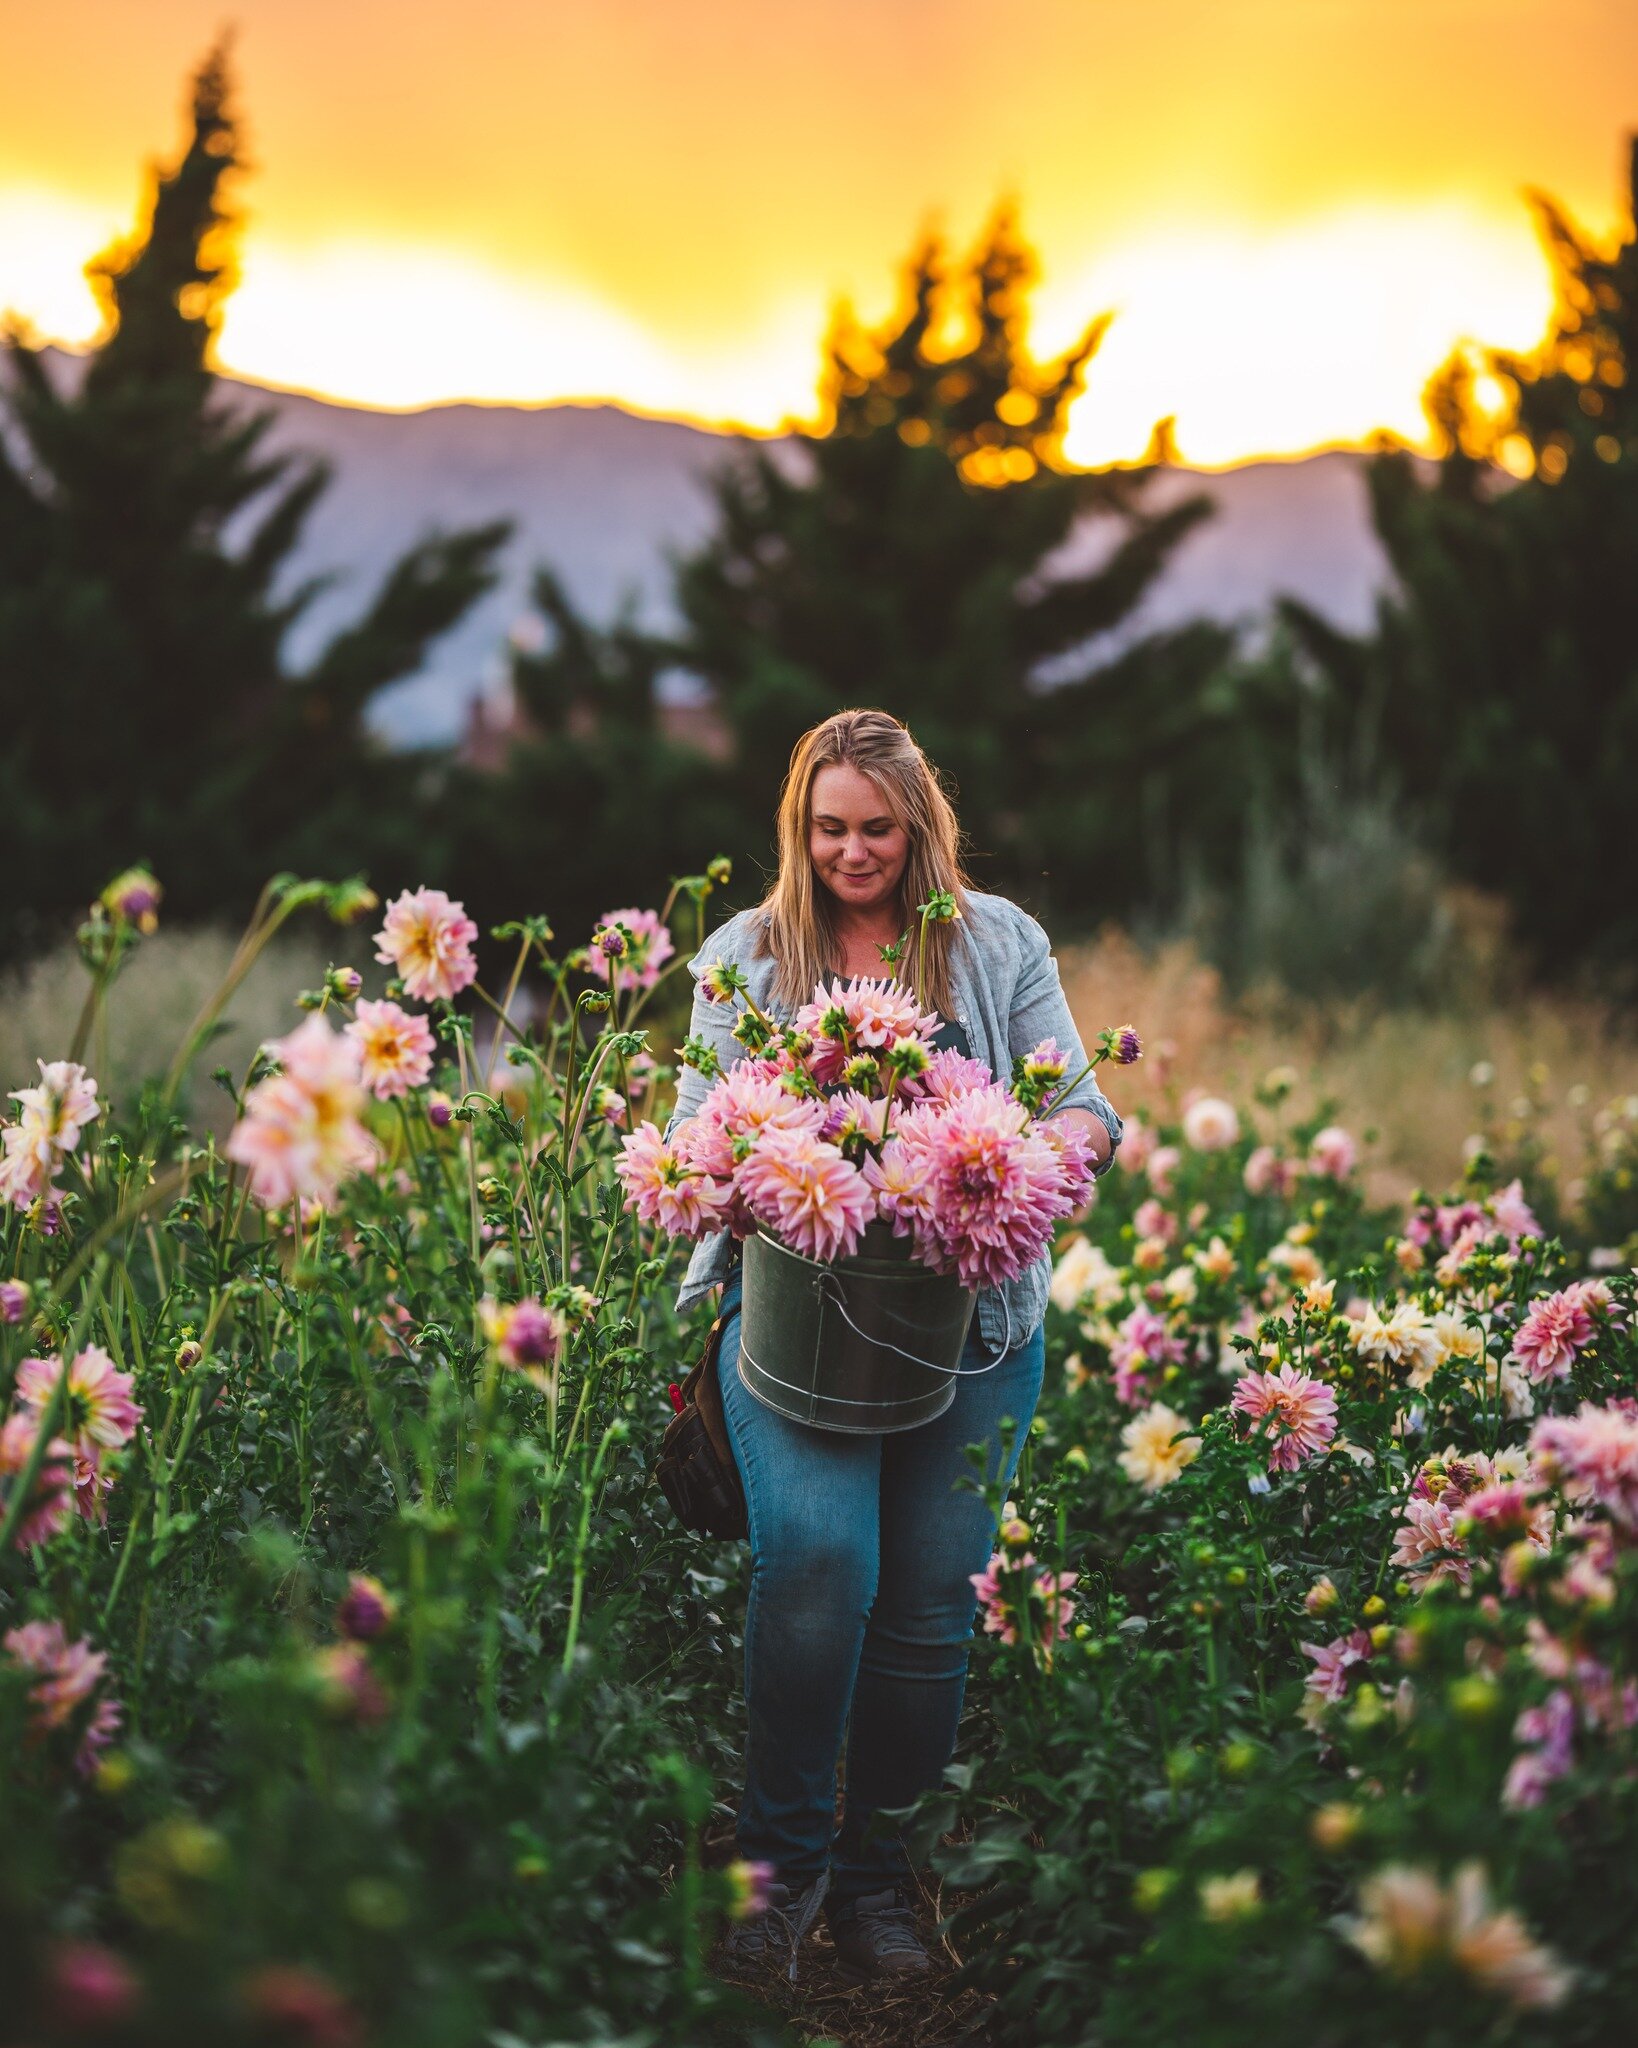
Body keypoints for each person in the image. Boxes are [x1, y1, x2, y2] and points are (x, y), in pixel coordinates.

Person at [665, 709, 1123, 1983]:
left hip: (973, 1329)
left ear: (921, 826)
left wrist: (1024, 1152)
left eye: (877, 827)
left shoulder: (998, 941)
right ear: (796, 829)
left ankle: (880, 1887)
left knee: (927, 1613)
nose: (852, 851)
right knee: (817, 1562)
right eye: (829, 828)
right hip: (797, 1321)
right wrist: (761, 1165)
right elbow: (700, 1132)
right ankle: (776, 1873)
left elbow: (1083, 1108)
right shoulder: (746, 955)